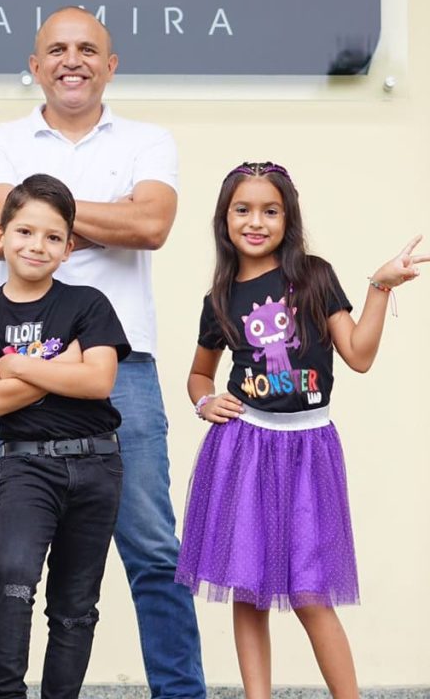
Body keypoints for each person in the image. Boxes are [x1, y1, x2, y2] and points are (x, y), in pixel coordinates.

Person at [0, 6, 205, 699]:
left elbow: (152, 223)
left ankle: (182, 694)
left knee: (154, 548)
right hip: (18, 358)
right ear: (35, 66)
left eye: (88, 49)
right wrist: (105, 215)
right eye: (57, 49)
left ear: (110, 65)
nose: (72, 60)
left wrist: (38, 213)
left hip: (123, 369)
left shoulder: (148, 140)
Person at [174, 161, 428, 699]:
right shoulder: (219, 299)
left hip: (309, 448)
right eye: (243, 210)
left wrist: (380, 286)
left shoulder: (313, 276)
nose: (256, 221)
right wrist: (204, 401)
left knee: (312, 592)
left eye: (271, 210)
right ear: (224, 219)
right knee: (248, 589)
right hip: (244, 448)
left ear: (288, 218)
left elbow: (358, 355)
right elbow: (199, 373)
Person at [0, 173, 130, 699]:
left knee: (75, 605)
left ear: (69, 247)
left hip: (98, 465)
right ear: (0, 236)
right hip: (27, 466)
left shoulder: (89, 303)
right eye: (25, 232)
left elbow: (99, 382)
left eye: (53, 237)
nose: (38, 245)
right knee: (11, 579)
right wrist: (66, 362)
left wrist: (19, 365)